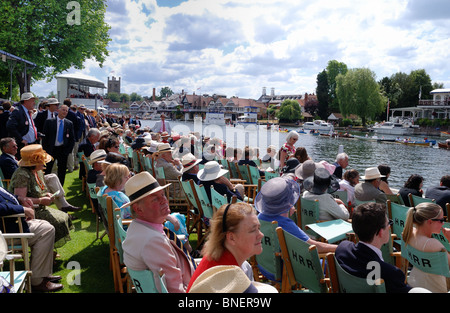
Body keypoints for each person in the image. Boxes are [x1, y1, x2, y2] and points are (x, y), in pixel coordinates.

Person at [121, 172, 195, 293]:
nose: (163, 200)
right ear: (138, 209)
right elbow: (175, 290)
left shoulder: (137, 227)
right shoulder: (153, 241)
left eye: (163, 195)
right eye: (155, 199)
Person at [255, 177, 337, 280]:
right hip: (284, 272)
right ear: (288, 202)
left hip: (265, 267)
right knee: (333, 263)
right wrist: (338, 248)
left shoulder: (260, 217)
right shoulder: (285, 224)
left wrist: (286, 211)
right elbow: (312, 246)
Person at [335, 202, 416, 293]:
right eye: (388, 223)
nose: (389, 227)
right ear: (381, 232)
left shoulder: (342, 249)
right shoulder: (391, 273)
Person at [187, 202, 264, 292]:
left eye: (258, 228)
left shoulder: (221, 259)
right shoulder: (226, 280)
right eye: (252, 230)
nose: (261, 235)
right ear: (231, 238)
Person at [0, 186, 63, 292]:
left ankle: (42, 274)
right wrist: (22, 209)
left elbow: (7, 196)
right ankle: (37, 281)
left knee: (46, 226)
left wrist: (21, 199)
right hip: (5, 235)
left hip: (13, 227)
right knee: (46, 230)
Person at [9, 145, 73, 248]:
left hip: (39, 208)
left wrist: (46, 194)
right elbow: (20, 200)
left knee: (64, 217)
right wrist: (41, 200)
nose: (44, 162)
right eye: (42, 160)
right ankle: (44, 250)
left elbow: (40, 188)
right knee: (57, 222)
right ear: (33, 163)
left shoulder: (37, 171)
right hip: (29, 212)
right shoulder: (22, 175)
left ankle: (47, 250)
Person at [402, 202, 450, 293]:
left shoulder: (408, 233)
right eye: (441, 220)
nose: (443, 224)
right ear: (430, 222)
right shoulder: (433, 244)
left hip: (414, 285)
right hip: (435, 289)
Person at [42, 104, 75, 186]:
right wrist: (46, 150)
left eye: (67, 111)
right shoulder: (49, 122)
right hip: (51, 150)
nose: (65, 112)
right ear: (58, 110)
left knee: (62, 171)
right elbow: (45, 138)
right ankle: (45, 187)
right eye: (63, 110)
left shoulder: (69, 123)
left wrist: (68, 151)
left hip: (63, 150)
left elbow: (72, 139)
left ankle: (60, 189)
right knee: (47, 169)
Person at [6, 92, 39, 158]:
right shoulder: (18, 111)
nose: (34, 103)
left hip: (30, 144)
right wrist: (21, 139)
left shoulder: (27, 111)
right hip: (23, 145)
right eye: (32, 101)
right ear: (26, 101)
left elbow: (28, 127)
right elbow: (10, 126)